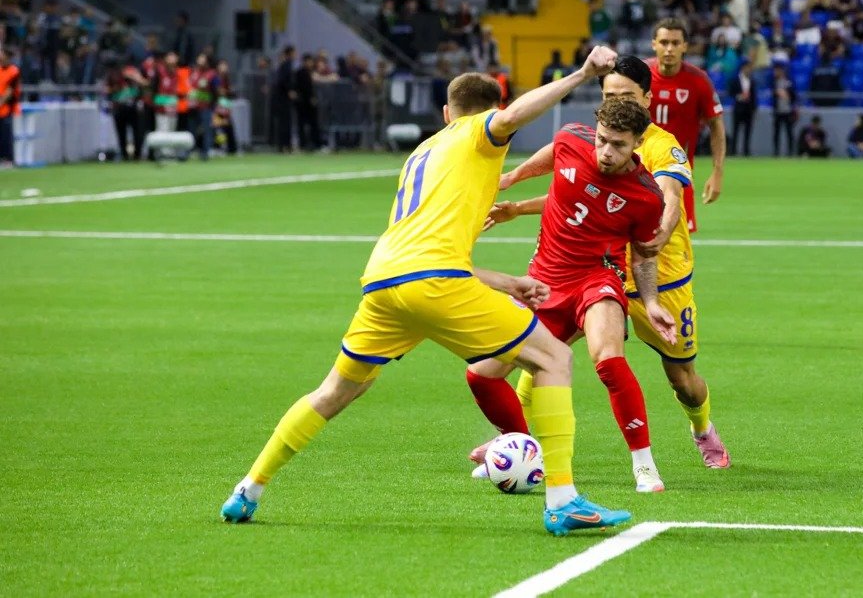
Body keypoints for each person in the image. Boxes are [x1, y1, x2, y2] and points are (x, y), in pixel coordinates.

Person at [220, 47, 636, 536]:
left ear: (445, 112)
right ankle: (563, 501)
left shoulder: (423, 152)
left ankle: (248, 488)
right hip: (433, 282)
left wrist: (507, 283)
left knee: (333, 391)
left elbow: (429, 252)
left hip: (384, 283)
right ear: (488, 113)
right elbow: (512, 117)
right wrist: (583, 74)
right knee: (553, 360)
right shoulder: (476, 135)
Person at [469, 94, 675, 493]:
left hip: (597, 279)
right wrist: (513, 179)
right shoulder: (570, 140)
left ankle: (644, 465)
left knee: (609, 359)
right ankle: (526, 451)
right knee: (481, 376)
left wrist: (650, 302)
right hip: (542, 285)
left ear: (637, 141)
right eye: (602, 140)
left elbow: (645, 256)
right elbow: (554, 158)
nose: (606, 152)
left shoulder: (647, 196)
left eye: (618, 144)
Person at [647, 18, 727, 231]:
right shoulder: (640, 76)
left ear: (685, 46)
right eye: (664, 42)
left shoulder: (698, 80)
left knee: (678, 250)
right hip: (638, 174)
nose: (669, 48)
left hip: (678, 176)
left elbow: (716, 125)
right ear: (654, 44)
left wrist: (717, 171)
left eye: (675, 43)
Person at [728, 61, 756, 156]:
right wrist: (739, 96)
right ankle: (733, 151)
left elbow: (754, 96)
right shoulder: (735, 80)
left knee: (748, 131)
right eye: (748, 67)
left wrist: (754, 108)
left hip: (748, 109)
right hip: (738, 108)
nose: (749, 70)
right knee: (736, 130)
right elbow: (731, 92)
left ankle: (746, 151)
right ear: (743, 68)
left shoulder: (752, 81)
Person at [271, 46, 295, 152]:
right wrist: (289, 90)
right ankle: (286, 145)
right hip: (283, 98)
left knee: (283, 122)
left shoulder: (282, 66)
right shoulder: (287, 65)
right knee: (285, 122)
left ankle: (282, 145)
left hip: (280, 97)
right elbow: (283, 81)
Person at [770, 62, 797, 156]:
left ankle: (790, 152)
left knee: (789, 133)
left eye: (777, 70)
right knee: (776, 133)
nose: (775, 72)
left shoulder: (789, 82)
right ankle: (776, 152)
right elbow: (772, 95)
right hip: (778, 111)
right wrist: (776, 93)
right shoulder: (774, 82)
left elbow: (794, 96)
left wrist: (787, 95)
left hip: (787, 110)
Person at [0, 49, 21, 166]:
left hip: (7, 108)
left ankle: (8, 160)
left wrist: (1, 102)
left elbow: (10, 90)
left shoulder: (13, 71)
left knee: (6, 135)